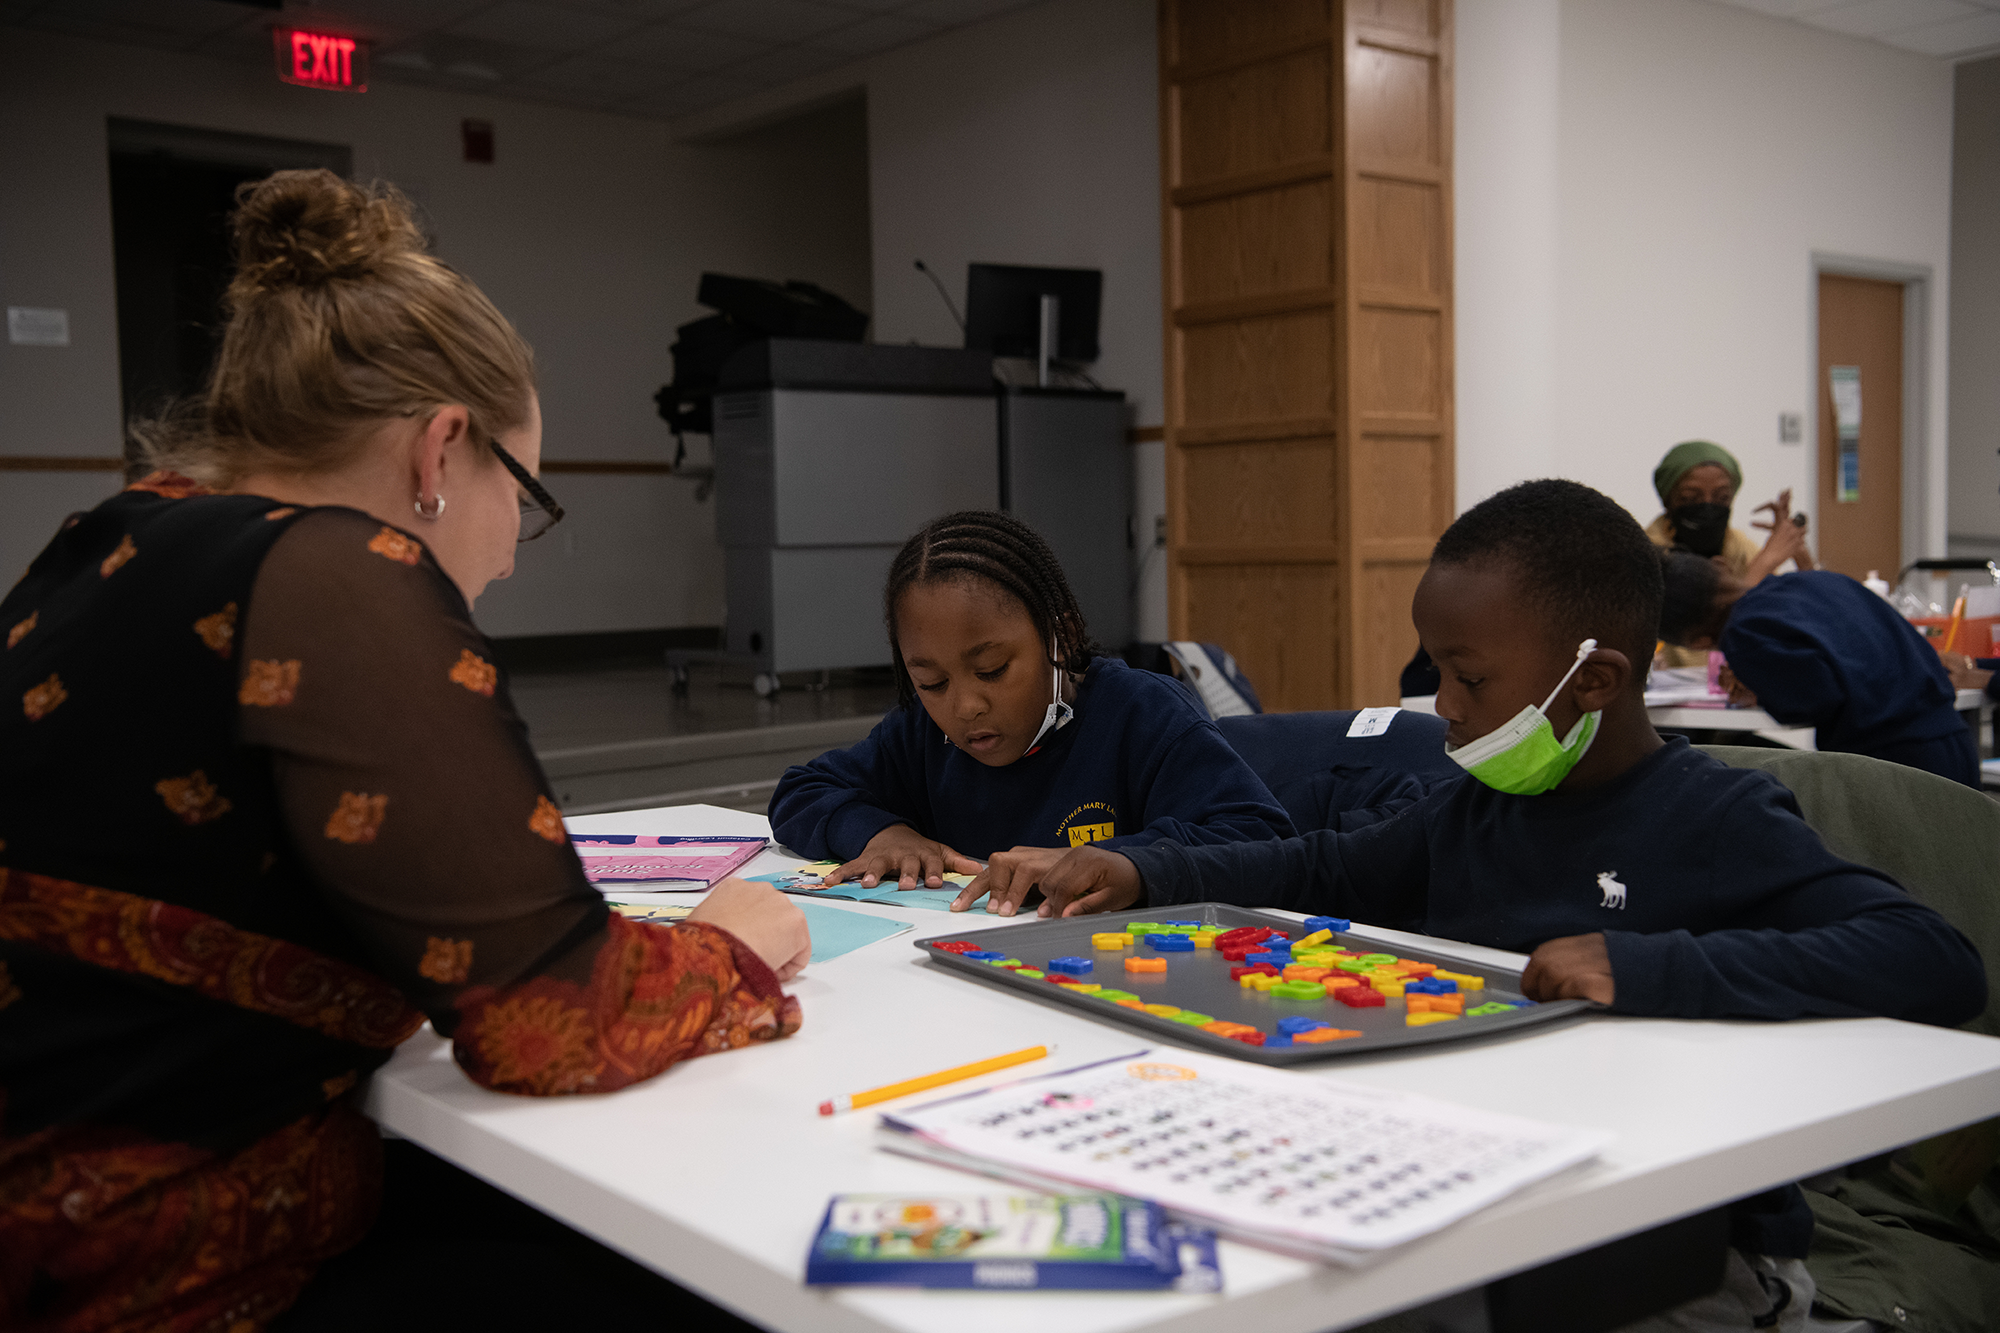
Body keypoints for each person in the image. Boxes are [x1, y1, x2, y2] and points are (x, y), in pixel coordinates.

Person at [0, 170, 809, 1332]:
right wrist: (728, 948)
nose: (512, 553)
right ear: (440, 451)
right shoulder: (340, 572)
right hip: (147, 1270)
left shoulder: (114, 532)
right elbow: (552, 1020)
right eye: (522, 497)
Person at [989, 477, 1986, 1331]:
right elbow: (1320, 867)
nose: (1447, 707)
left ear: (1593, 680)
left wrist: (1644, 964)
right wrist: (1148, 872)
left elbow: (1929, 957)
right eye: (1437, 673)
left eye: (1468, 678)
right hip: (1490, 1194)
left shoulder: (1715, 815)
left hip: (1676, 1243)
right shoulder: (1473, 807)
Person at [766, 510, 1298, 915]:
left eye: (993, 669)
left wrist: (1122, 861)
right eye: (932, 683)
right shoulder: (921, 733)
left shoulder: (1142, 714)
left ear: (1061, 636)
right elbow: (802, 791)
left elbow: (1263, 840)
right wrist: (882, 834)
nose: (965, 706)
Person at [1657, 554, 1981, 788]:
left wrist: (1762, 688)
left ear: (1698, 642)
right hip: (1953, 736)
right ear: (1720, 570)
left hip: (1892, 762)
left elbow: (1814, 698)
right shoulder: (1811, 581)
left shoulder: (1743, 632)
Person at [1647, 441, 1814, 668]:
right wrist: (1766, 561)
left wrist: (1798, 551)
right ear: (1668, 499)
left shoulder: (1738, 547)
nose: (1708, 506)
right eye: (1690, 498)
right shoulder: (1650, 554)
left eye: (1722, 498)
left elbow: (1780, 620)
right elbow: (1722, 631)